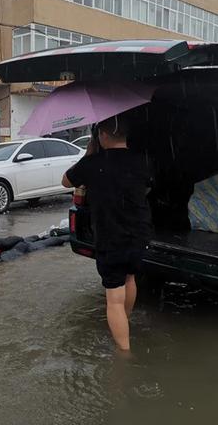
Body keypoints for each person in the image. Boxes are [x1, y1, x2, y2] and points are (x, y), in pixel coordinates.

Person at [62, 115, 153, 352]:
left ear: (102, 135)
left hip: (110, 237)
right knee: (131, 278)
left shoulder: (92, 163)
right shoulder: (141, 160)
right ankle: (125, 321)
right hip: (139, 233)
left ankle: (124, 354)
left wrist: (89, 153)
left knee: (114, 297)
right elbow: (148, 185)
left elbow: (65, 181)